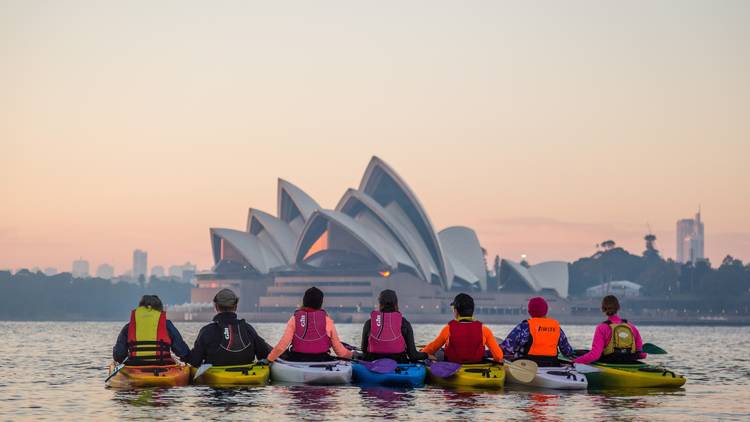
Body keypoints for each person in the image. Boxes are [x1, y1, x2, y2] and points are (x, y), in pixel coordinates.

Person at [187, 288, 273, 367]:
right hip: (247, 375)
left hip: (215, 377)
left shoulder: (206, 331)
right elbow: (265, 355)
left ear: (216, 307)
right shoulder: (248, 329)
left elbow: (195, 361)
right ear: (236, 307)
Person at [267, 287, 353, 362]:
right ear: (320, 303)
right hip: (322, 359)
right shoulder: (327, 320)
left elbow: (282, 345)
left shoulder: (294, 319)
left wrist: (269, 359)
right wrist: (352, 355)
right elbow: (340, 352)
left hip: (297, 359)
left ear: (304, 301)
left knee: (277, 351)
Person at [420, 293, 503, 363]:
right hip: (477, 364)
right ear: (472, 311)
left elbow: (431, 348)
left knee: (437, 351)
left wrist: (422, 353)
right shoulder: (485, 330)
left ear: (456, 311)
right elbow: (499, 356)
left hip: (453, 364)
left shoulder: (448, 329)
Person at [112, 295, 190, 365]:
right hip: (162, 364)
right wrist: (188, 359)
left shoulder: (128, 327)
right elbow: (181, 350)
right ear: (159, 309)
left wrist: (121, 360)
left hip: (135, 364)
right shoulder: (167, 325)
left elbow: (119, 354)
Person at [501, 297, 575, 366]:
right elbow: (567, 351)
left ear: (529, 311)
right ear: (546, 311)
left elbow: (507, 349)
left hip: (527, 366)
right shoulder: (556, 327)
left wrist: (490, 353)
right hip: (551, 364)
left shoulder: (524, 327)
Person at [574, 295, 646, 364]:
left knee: (582, 353)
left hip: (610, 362)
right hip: (629, 361)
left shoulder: (602, 328)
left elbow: (595, 355)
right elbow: (641, 354)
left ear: (603, 309)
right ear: (618, 308)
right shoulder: (631, 327)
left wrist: (575, 362)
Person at [360, 289, 428, 363]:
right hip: (398, 362)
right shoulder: (404, 323)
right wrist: (427, 355)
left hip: (372, 361)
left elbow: (364, 349)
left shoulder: (369, 323)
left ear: (380, 303)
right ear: (396, 303)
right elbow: (413, 355)